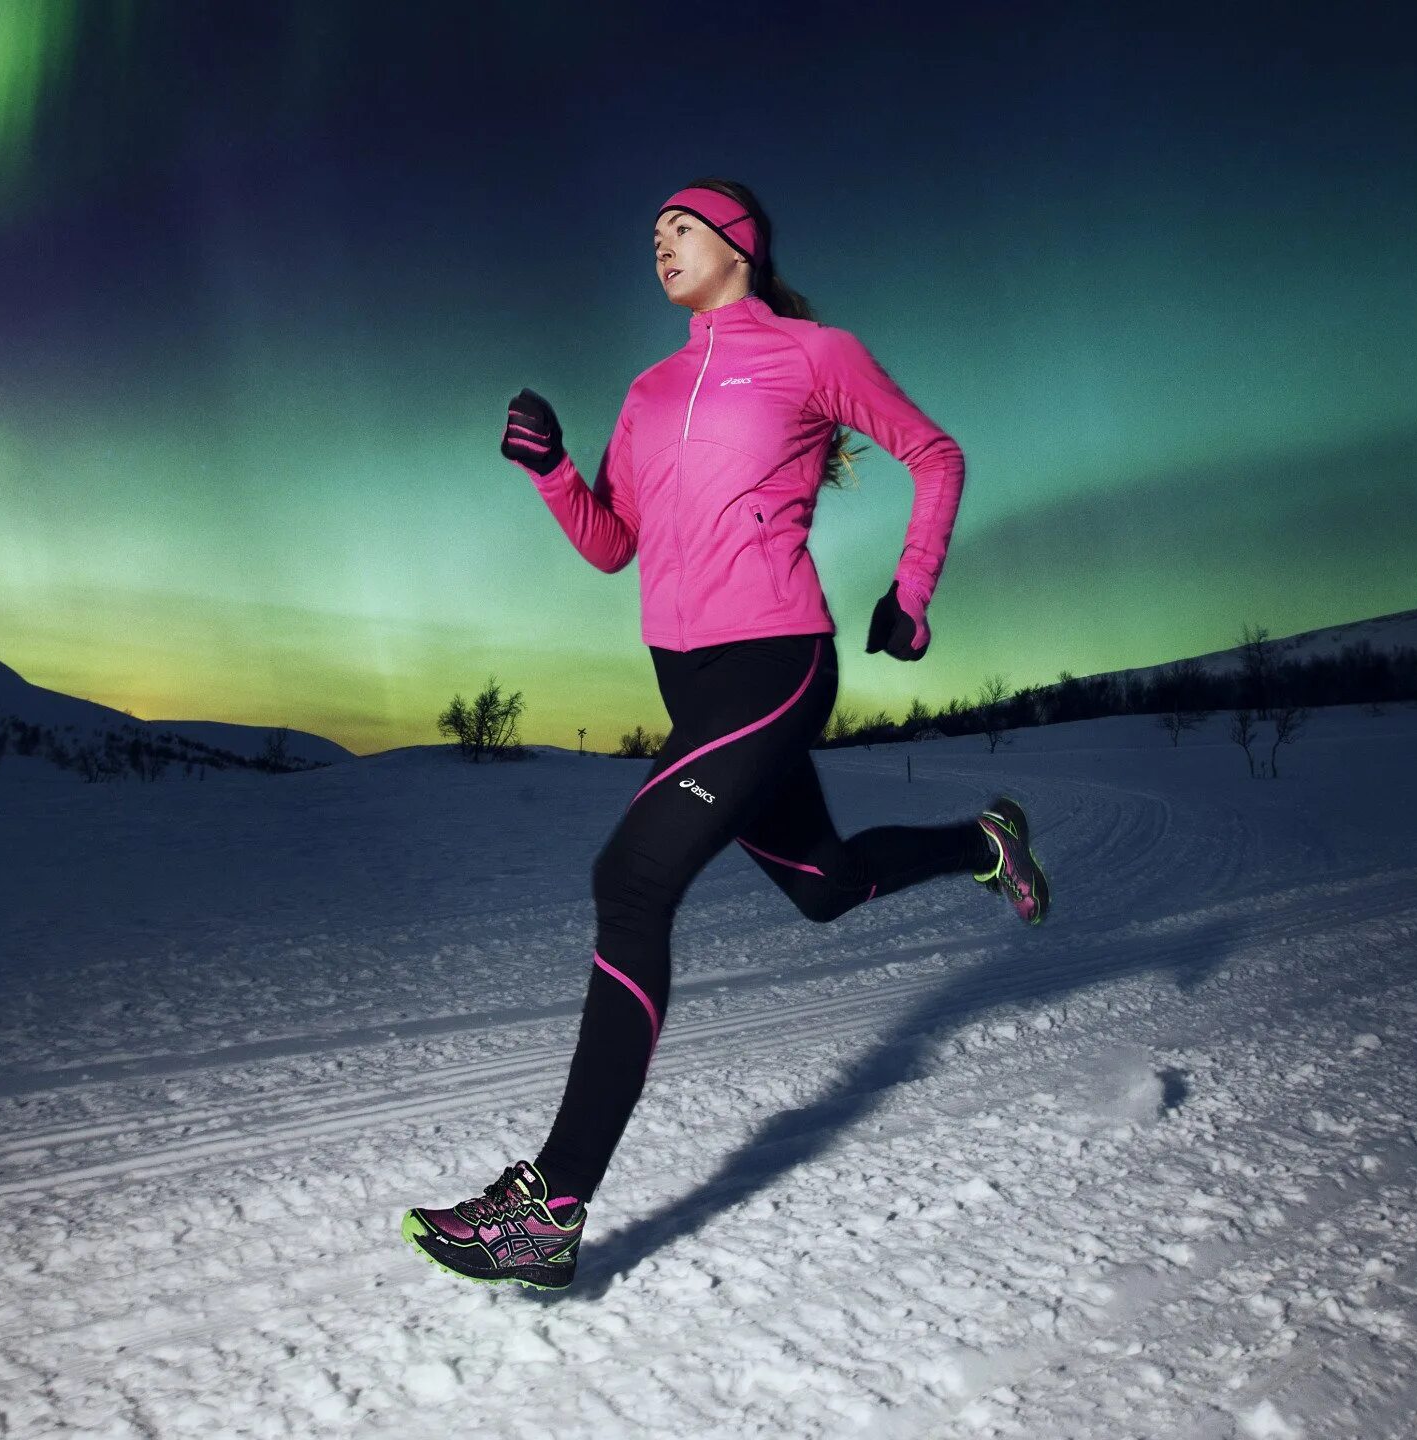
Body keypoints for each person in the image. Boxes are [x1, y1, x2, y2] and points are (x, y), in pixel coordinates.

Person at [401, 178, 1051, 1291]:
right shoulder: (647, 391)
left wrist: (912, 590)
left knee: (632, 880)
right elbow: (614, 546)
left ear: (738, 246)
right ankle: (982, 843)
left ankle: (548, 1208)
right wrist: (552, 470)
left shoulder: (812, 353)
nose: (660, 243)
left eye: (682, 227)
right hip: (690, 688)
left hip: (774, 664)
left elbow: (933, 454)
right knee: (823, 885)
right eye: (652, 231)